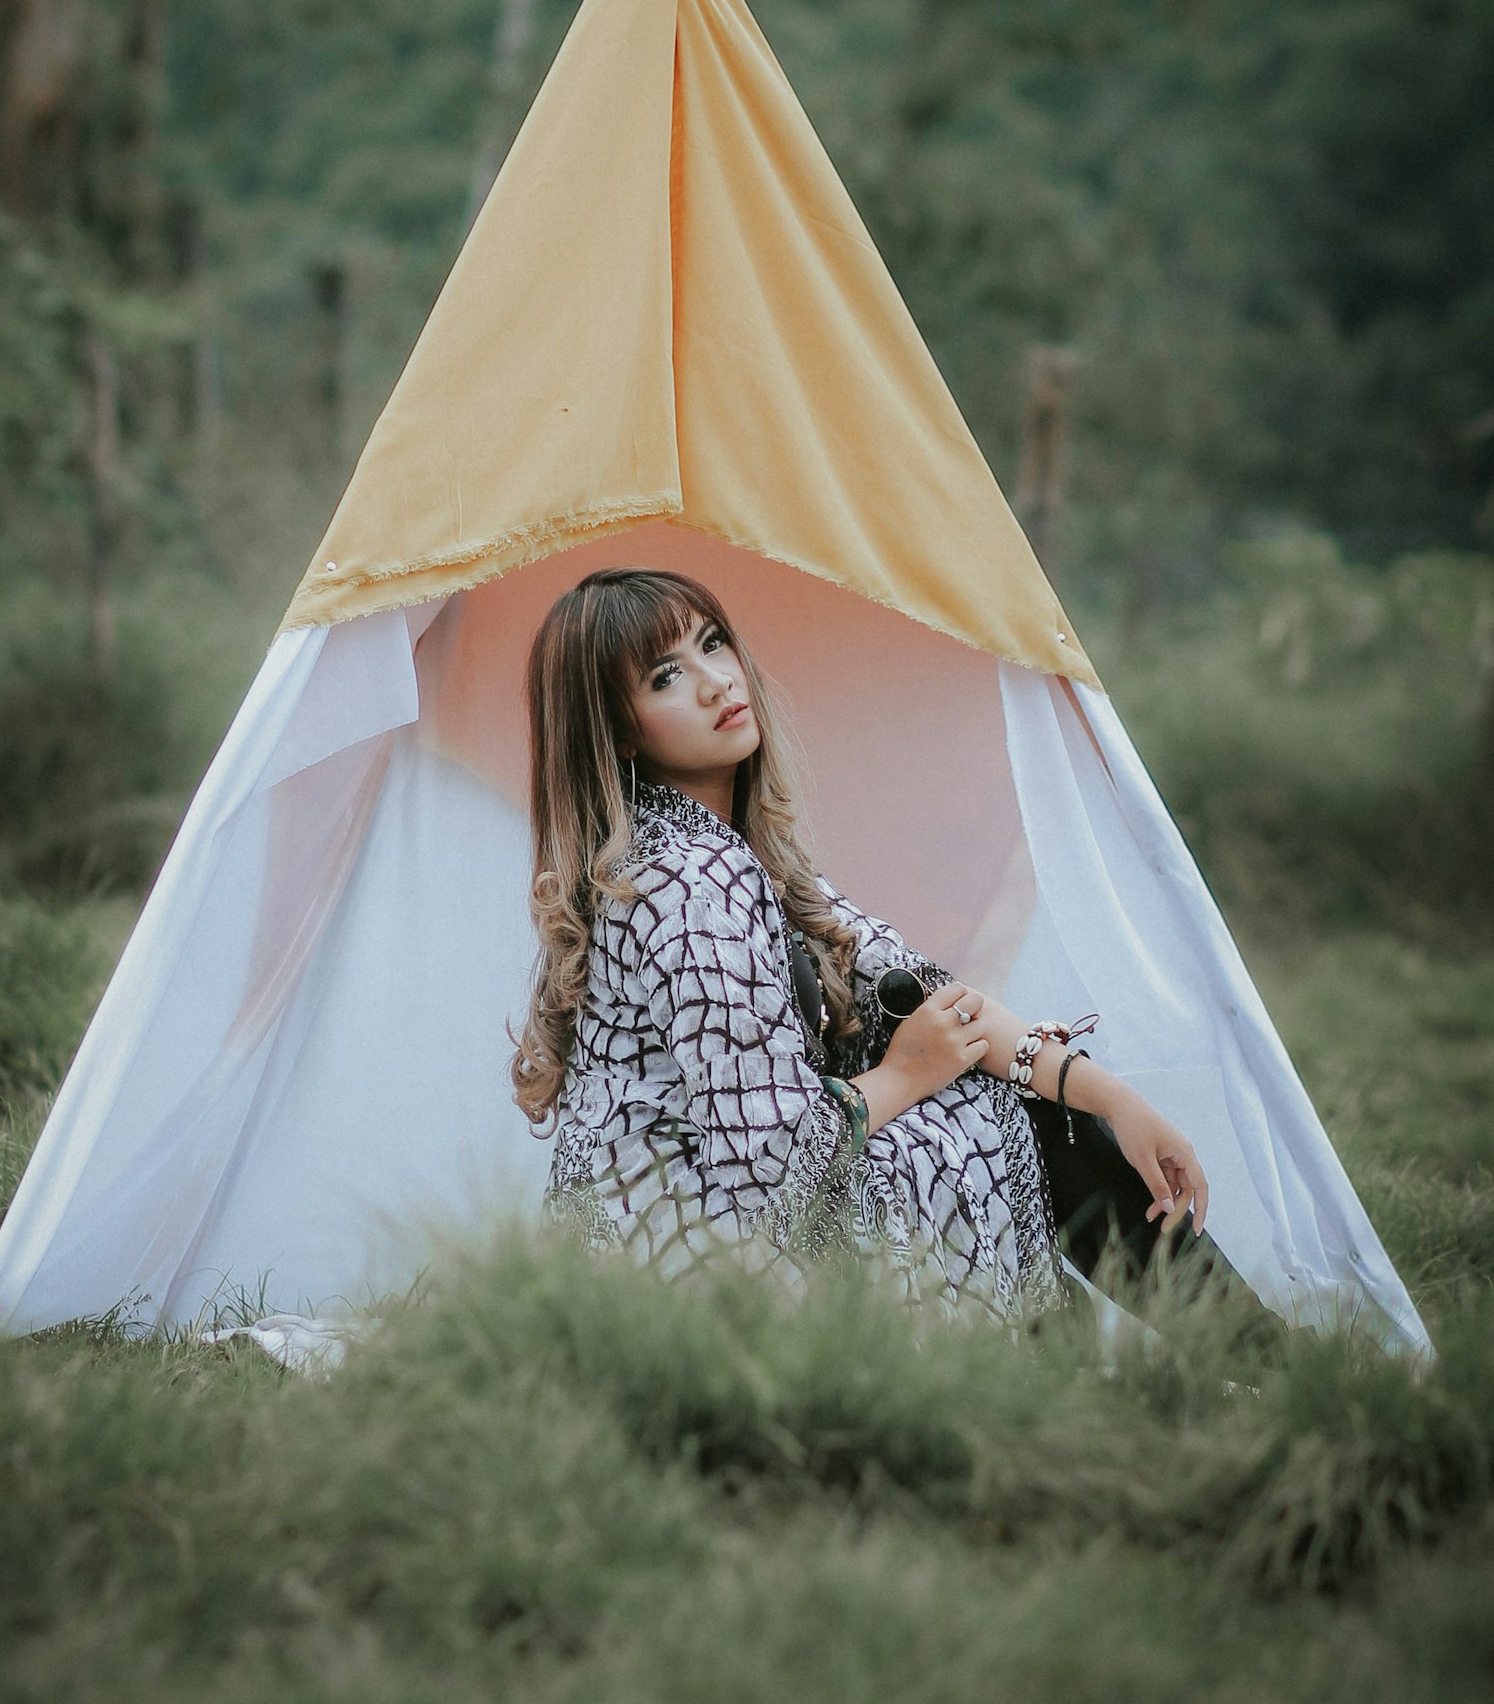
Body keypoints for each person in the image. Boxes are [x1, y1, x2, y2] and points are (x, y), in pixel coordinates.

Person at [513, 566, 1212, 1325]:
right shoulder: (685, 885)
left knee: (1006, 1109)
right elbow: (771, 1159)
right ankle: (1252, 1359)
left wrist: (1113, 1097)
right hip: (676, 1259)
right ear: (617, 731)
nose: (716, 682)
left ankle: (1229, 1360)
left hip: (713, 1225)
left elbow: (922, 993)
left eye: (714, 643)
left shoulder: (738, 856)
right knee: (983, 1121)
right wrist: (908, 1073)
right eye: (666, 676)